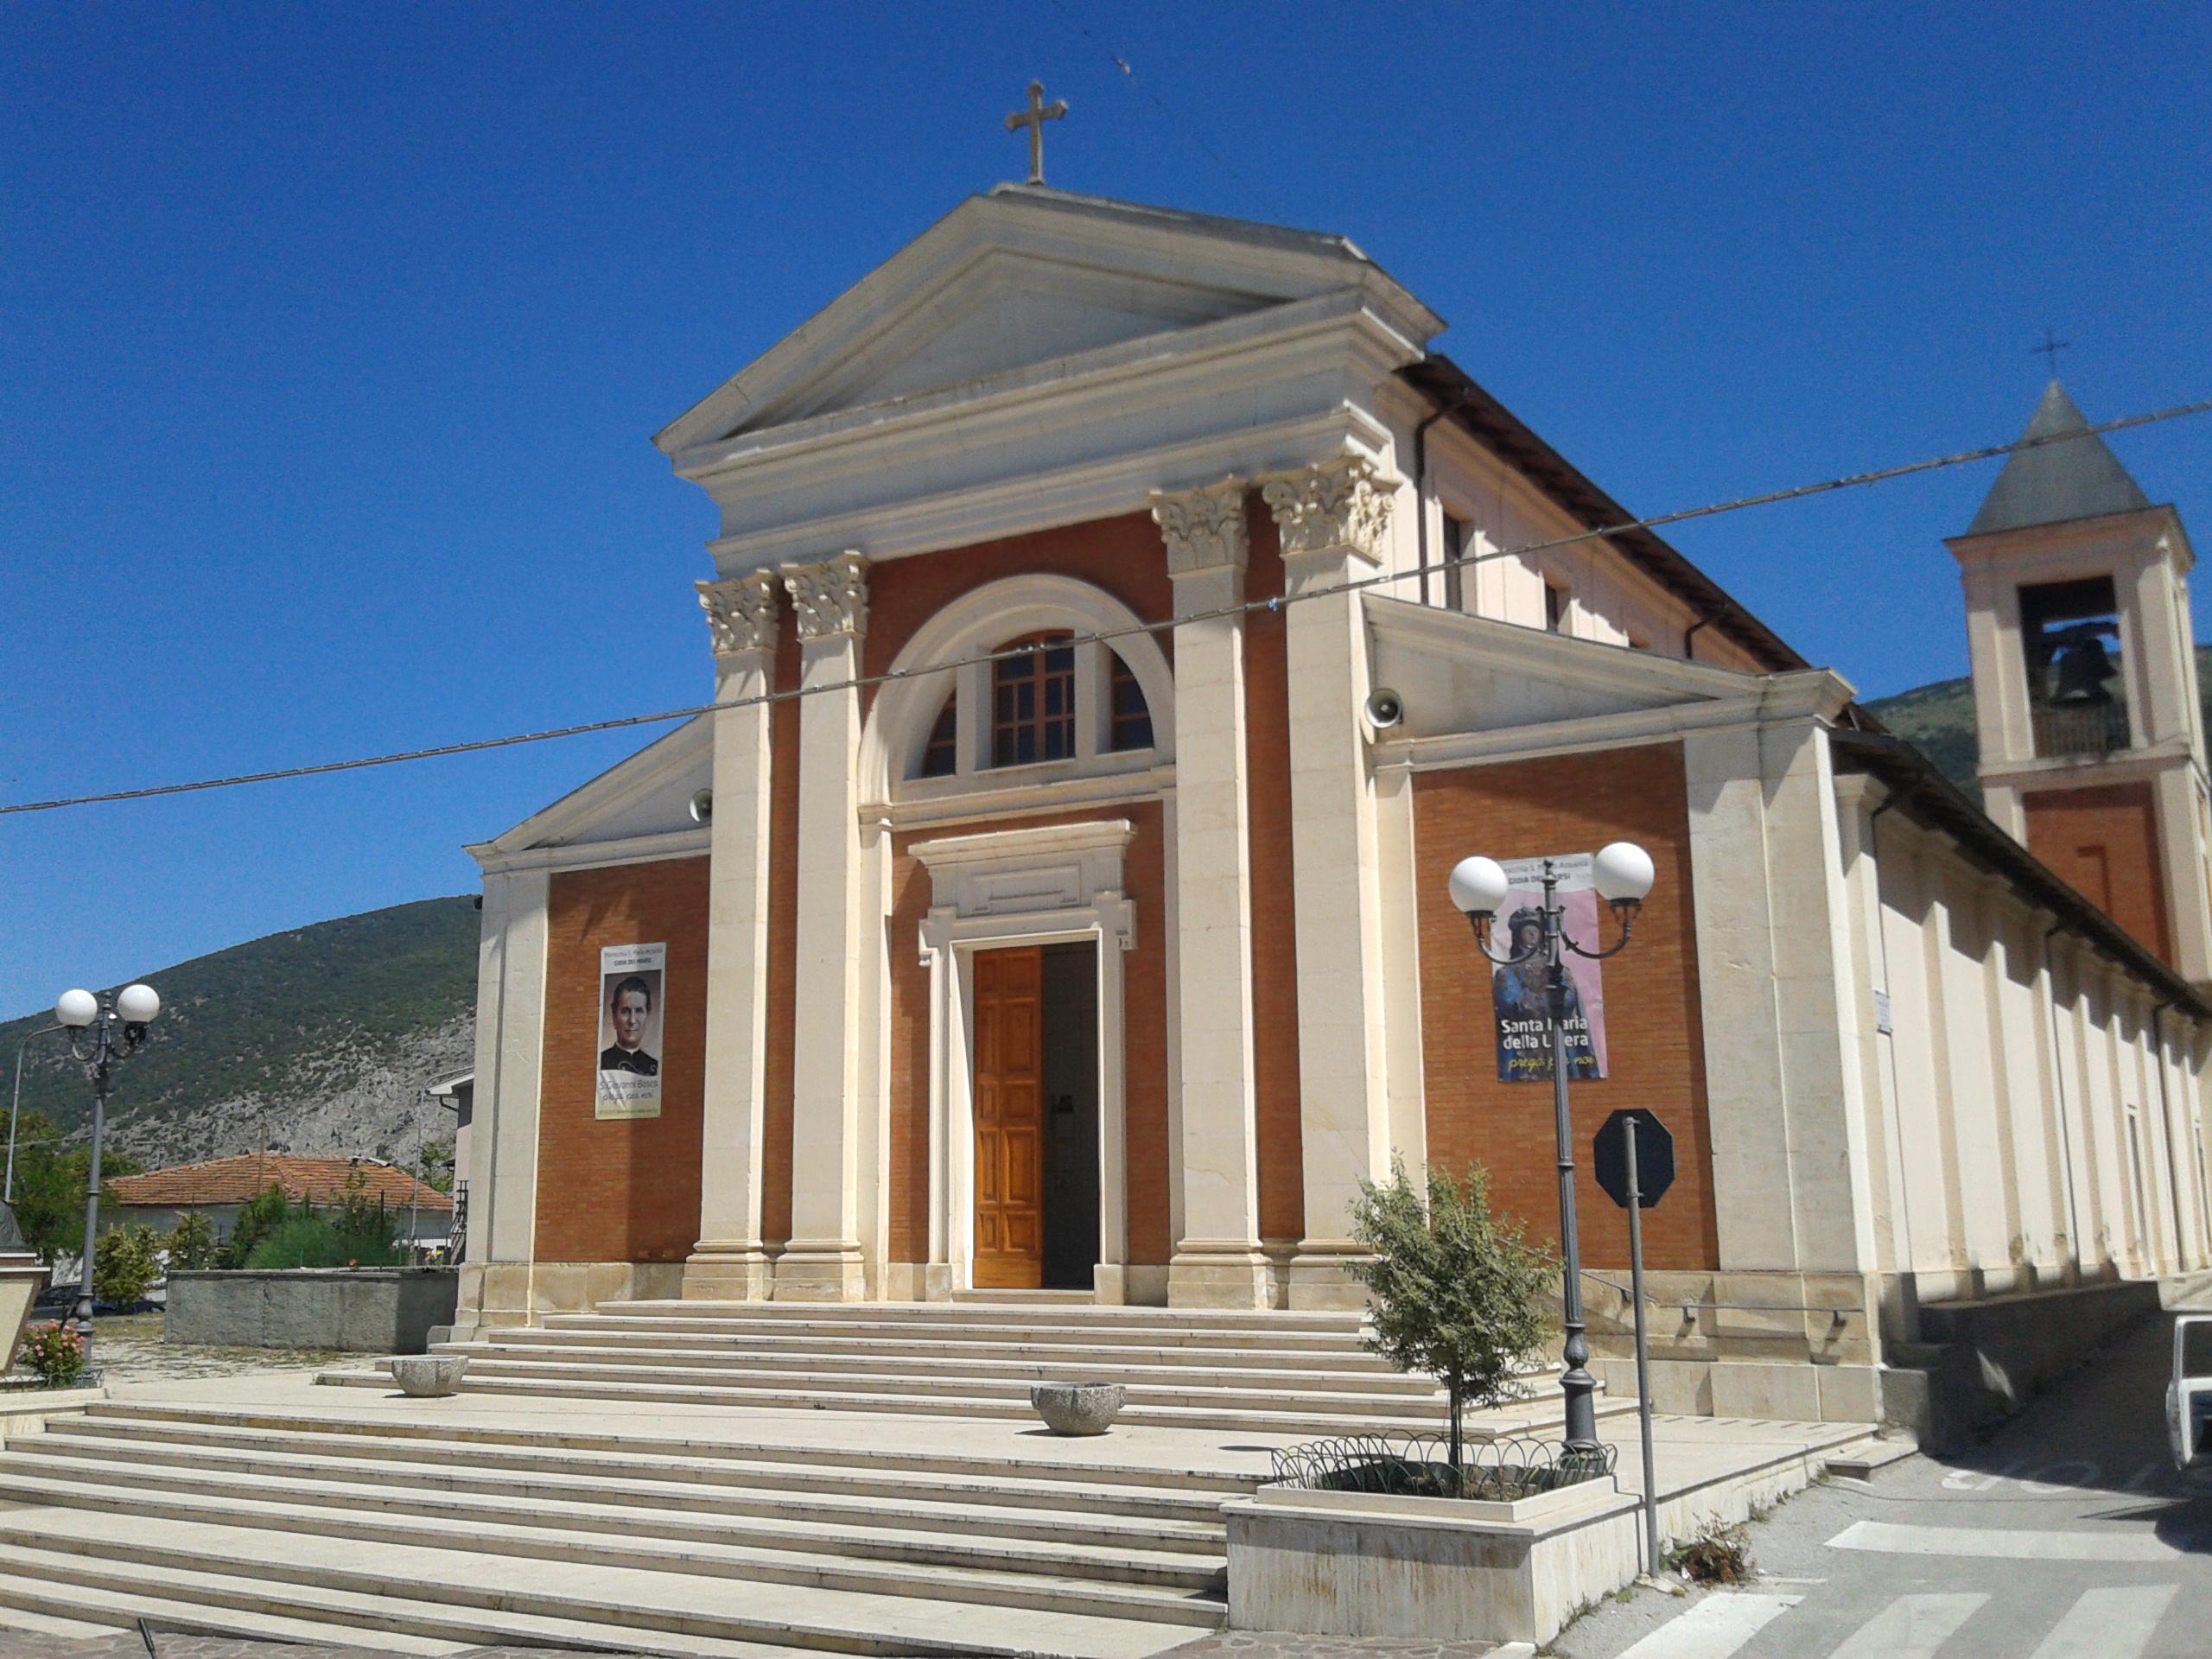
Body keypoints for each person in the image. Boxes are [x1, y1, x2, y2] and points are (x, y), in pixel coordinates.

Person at [599, 975, 658, 1076]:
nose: (632, 1020)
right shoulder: (601, 1062)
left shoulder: (655, 1067)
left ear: (647, 1016)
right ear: (614, 1016)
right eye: (625, 1011)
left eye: (639, 1011)